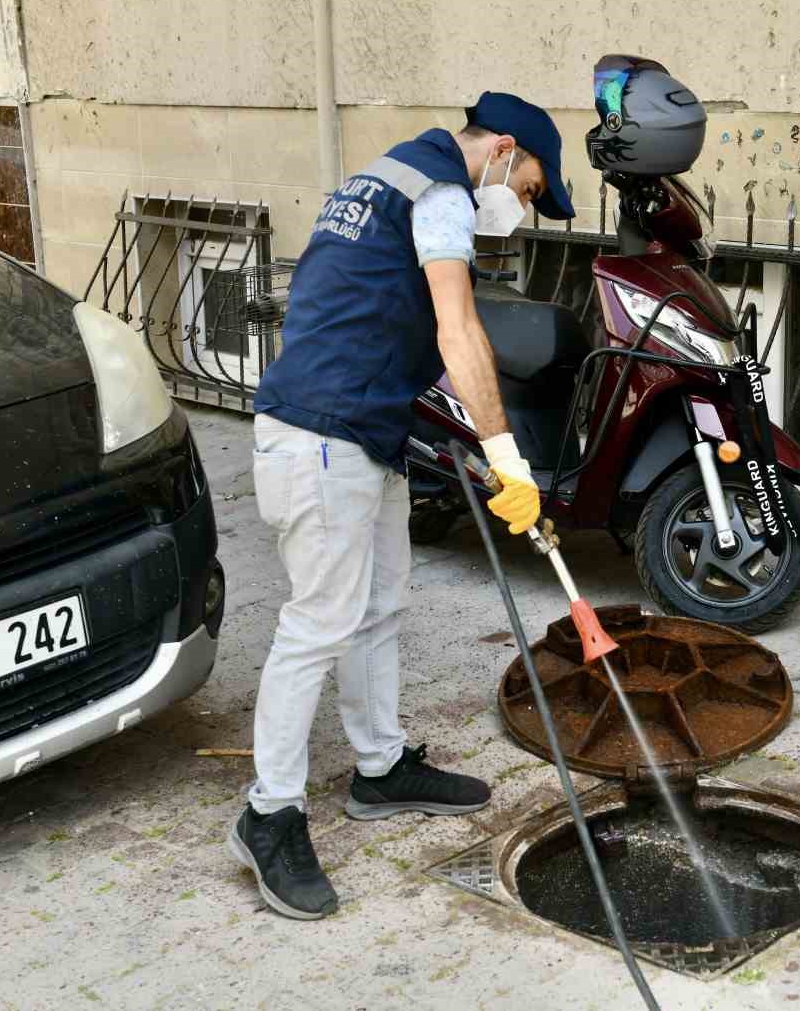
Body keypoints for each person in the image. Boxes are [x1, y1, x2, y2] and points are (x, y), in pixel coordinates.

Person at [227, 92, 576, 920]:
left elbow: (384, 317)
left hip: (355, 432)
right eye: (529, 187)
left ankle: (380, 768)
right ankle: (268, 813)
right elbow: (459, 332)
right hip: (321, 438)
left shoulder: (389, 176)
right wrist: (507, 455)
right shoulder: (443, 194)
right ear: (502, 149)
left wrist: (484, 453)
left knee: (377, 606)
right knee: (316, 625)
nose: (521, 208)